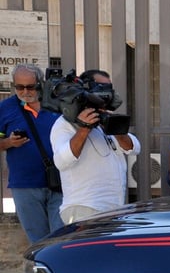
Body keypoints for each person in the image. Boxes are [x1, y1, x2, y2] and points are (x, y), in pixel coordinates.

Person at [50, 71, 140, 224]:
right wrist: (84, 128)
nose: (106, 93)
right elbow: (61, 161)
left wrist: (115, 127)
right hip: (84, 209)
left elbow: (134, 148)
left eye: (108, 87)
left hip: (113, 209)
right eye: (101, 87)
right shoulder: (64, 124)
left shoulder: (104, 119)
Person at [0, 64, 64, 241]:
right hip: (25, 186)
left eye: (30, 86)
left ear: (40, 84)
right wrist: (8, 142)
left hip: (62, 183)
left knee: (61, 239)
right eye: (19, 87)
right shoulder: (5, 108)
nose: (25, 91)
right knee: (38, 242)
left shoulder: (57, 104)